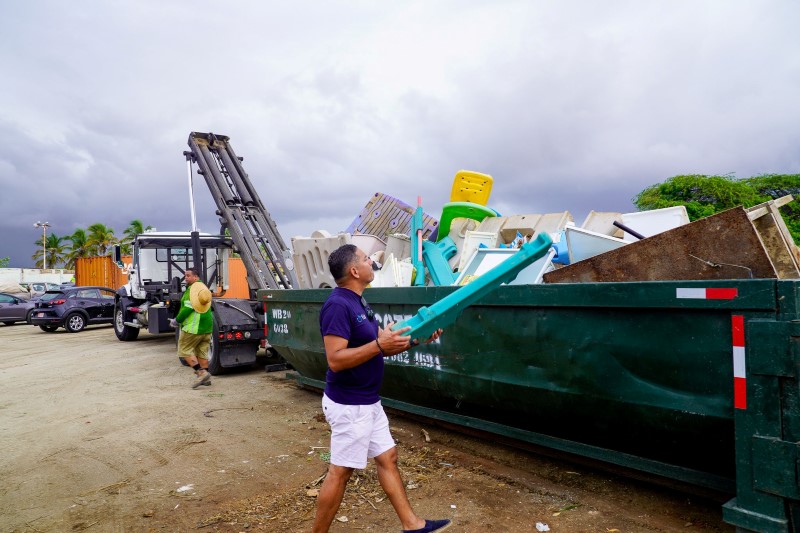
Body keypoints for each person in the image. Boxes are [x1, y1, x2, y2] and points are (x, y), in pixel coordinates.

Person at [312, 244, 450, 533]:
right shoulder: (338, 305)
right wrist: (378, 344)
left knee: (388, 457)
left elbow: (380, 348)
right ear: (354, 270)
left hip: (368, 401)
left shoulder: (360, 302)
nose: (371, 261)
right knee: (340, 472)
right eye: (365, 258)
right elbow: (335, 360)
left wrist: (418, 340)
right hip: (350, 405)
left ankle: (412, 525)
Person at [170, 267, 213, 389]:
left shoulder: (192, 291)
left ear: (195, 277)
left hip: (193, 328)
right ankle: (206, 380)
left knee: (184, 350)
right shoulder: (204, 288)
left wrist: (176, 321)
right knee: (202, 351)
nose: (186, 278)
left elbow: (187, 309)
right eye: (185, 275)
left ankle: (201, 373)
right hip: (207, 328)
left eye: (188, 275)